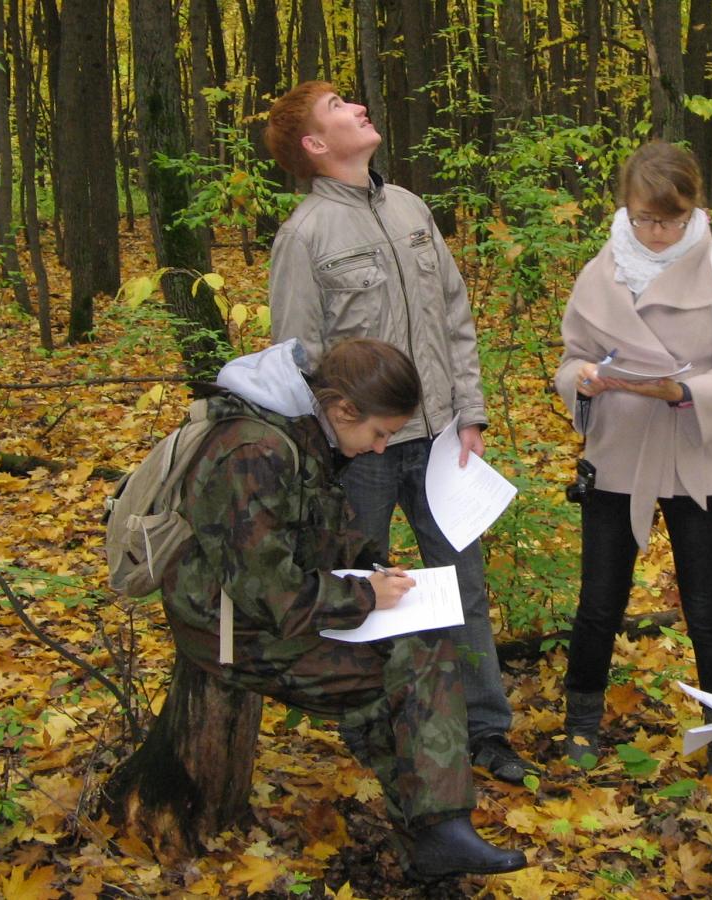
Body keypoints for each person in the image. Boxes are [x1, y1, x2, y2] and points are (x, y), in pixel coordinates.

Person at [161, 337, 526, 879]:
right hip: (225, 628)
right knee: (403, 669)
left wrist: (373, 568)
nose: (381, 448)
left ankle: (435, 834)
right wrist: (362, 598)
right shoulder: (253, 451)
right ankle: (434, 832)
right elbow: (267, 594)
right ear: (343, 409)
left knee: (422, 647)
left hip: (262, 610)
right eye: (379, 433)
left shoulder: (303, 430)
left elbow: (319, 534)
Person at [262, 81, 536, 784]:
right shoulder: (305, 236)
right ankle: (381, 733)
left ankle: (485, 730)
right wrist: (325, 452)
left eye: (354, 101)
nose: (358, 108)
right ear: (315, 147)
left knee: (464, 586)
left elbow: (454, 313)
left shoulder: (410, 207)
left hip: (444, 438)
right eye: (337, 110)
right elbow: (296, 355)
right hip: (364, 454)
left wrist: (469, 412)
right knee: (363, 589)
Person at [553, 141, 712, 788]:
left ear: (693, 208)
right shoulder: (602, 271)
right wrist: (584, 380)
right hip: (616, 452)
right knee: (599, 601)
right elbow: (571, 357)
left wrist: (685, 392)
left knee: (707, 609)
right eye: (646, 219)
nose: (657, 232)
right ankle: (582, 722)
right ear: (626, 208)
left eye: (671, 220)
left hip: (695, 453)